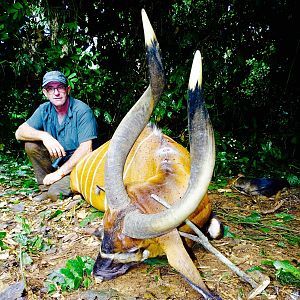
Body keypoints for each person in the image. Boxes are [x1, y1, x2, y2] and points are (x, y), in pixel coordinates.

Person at [15, 71, 98, 201]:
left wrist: (59, 173)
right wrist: (44, 136)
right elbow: (19, 132)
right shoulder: (44, 109)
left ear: (68, 89)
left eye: (60, 87)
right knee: (31, 145)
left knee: (56, 194)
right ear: (45, 93)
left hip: (81, 166)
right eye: (50, 88)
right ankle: (45, 188)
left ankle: (68, 190)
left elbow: (86, 150)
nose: (56, 93)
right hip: (61, 162)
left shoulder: (82, 111)